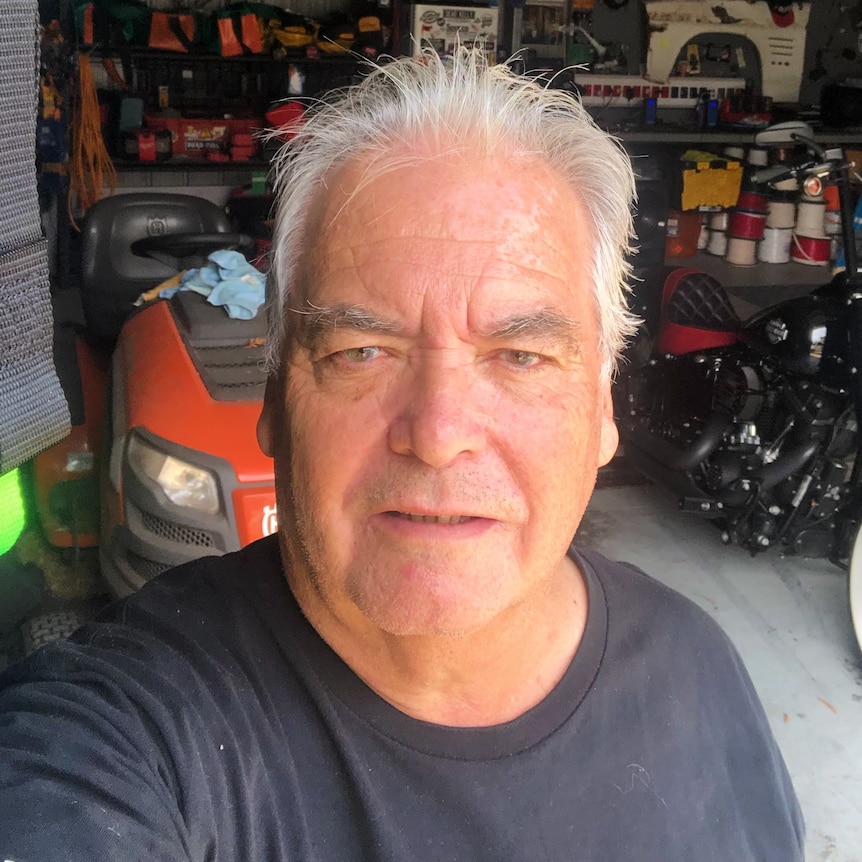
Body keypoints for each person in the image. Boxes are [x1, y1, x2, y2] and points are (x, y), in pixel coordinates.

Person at [0, 48, 803, 860]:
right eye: (362, 350)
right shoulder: (121, 737)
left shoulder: (698, 672)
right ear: (275, 403)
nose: (438, 431)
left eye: (520, 357)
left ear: (600, 412)